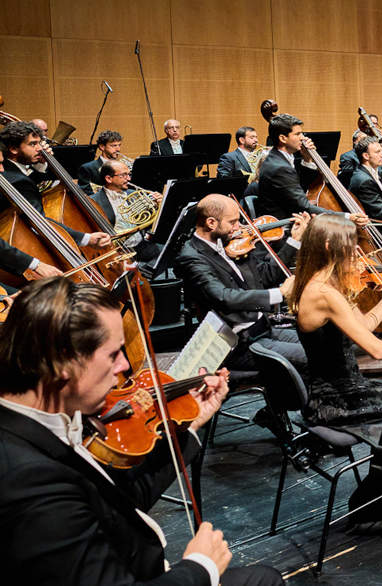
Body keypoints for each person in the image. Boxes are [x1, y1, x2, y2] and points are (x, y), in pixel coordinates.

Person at [0, 277, 283, 585]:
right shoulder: (29, 484)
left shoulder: (46, 419)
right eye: (113, 354)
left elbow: (119, 499)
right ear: (61, 363)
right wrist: (201, 566)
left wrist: (190, 423)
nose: (124, 365)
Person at [289, 214, 382, 424]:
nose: (356, 252)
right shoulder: (324, 293)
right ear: (329, 247)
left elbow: (366, 325)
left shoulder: (326, 284)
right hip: (335, 401)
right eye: (350, 245)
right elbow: (377, 350)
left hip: (351, 388)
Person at [176, 193, 309, 371]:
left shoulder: (230, 243)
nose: (239, 228)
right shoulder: (191, 257)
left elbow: (267, 275)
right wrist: (280, 294)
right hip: (241, 345)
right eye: (232, 222)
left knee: (324, 346)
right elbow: (223, 297)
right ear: (211, 223)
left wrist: (294, 241)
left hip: (263, 329)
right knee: (315, 358)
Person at [0, 121, 111, 250]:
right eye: (33, 144)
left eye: (39, 143)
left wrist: (42, 163)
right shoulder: (16, 180)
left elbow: (30, 181)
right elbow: (40, 222)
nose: (40, 148)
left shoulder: (13, 170)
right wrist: (86, 238)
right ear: (13, 149)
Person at [256, 113, 369, 224]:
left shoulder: (281, 158)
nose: (303, 138)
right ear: (283, 138)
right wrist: (346, 216)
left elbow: (301, 188)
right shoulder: (279, 167)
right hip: (284, 226)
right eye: (298, 134)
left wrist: (308, 159)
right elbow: (303, 206)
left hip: (296, 218)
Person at [92, 160, 162, 268]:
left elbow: (147, 222)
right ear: (108, 178)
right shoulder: (94, 202)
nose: (128, 179)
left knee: (164, 254)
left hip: (140, 245)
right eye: (123, 175)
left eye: (129, 174)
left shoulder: (135, 195)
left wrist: (158, 204)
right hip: (117, 250)